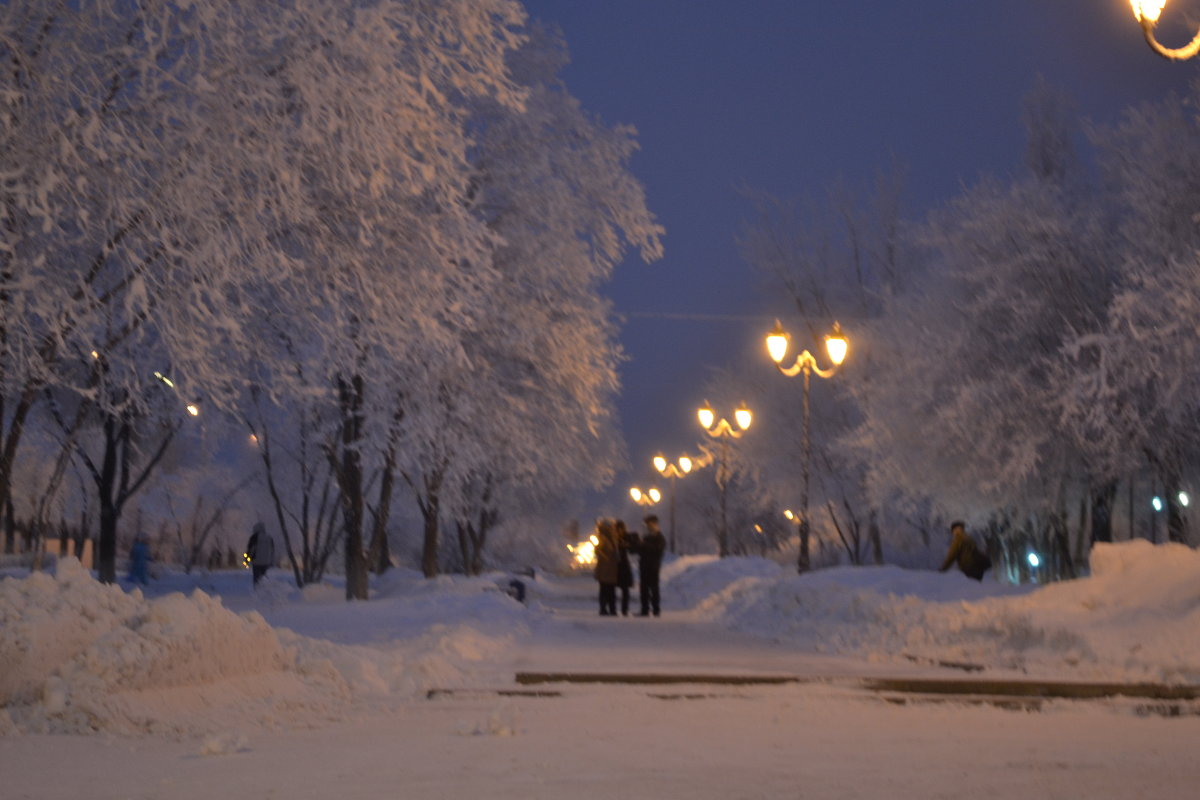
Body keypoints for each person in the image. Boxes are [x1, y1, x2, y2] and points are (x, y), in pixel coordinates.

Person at [633, 514, 666, 616]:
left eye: (649, 523)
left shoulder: (659, 537)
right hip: (644, 566)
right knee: (644, 588)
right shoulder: (646, 537)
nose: (647, 526)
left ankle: (656, 609)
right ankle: (645, 609)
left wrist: (644, 545)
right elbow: (639, 551)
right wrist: (637, 544)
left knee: (654, 588)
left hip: (653, 566)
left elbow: (658, 550)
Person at [592, 519, 619, 616]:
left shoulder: (613, 538)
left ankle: (612, 608)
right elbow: (597, 550)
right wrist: (606, 557)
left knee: (611, 589)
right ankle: (604, 608)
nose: (613, 529)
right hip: (605, 568)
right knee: (605, 588)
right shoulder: (603, 538)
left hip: (611, 568)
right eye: (611, 527)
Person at [246, 522, 276, 587]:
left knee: (256, 578)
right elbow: (272, 551)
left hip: (256, 562)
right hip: (266, 562)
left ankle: (257, 590)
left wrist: (247, 560)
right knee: (263, 577)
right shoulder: (269, 538)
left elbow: (250, 550)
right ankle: (264, 590)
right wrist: (272, 561)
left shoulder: (254, 537)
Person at [615, 520, 634, 616]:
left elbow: (633, 549)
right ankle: (612, 608)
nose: (619, 531)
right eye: (617, 529)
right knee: (612, 588)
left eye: (620, 529)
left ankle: (624, 609)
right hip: (615, 566)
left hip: (624, 566)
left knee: (625, 589)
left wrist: (626, 545)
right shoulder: (614, 538)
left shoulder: (627, 537)